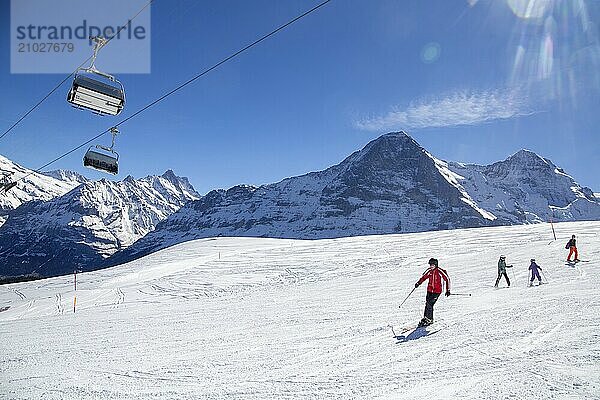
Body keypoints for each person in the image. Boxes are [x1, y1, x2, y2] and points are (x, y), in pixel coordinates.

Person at [414, 258, 450, 327]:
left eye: (432, 265)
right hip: (429, 290)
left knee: (430, 303)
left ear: (436, 265)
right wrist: (418, 283)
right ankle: (426, 318)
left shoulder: (439, 271)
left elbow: (447, 279)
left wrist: (448, 290)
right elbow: (424, 277)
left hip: (437, 291)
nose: (431, 266)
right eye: (430, 265)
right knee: (427, 303)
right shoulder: (429, 271)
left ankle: (430, 319)